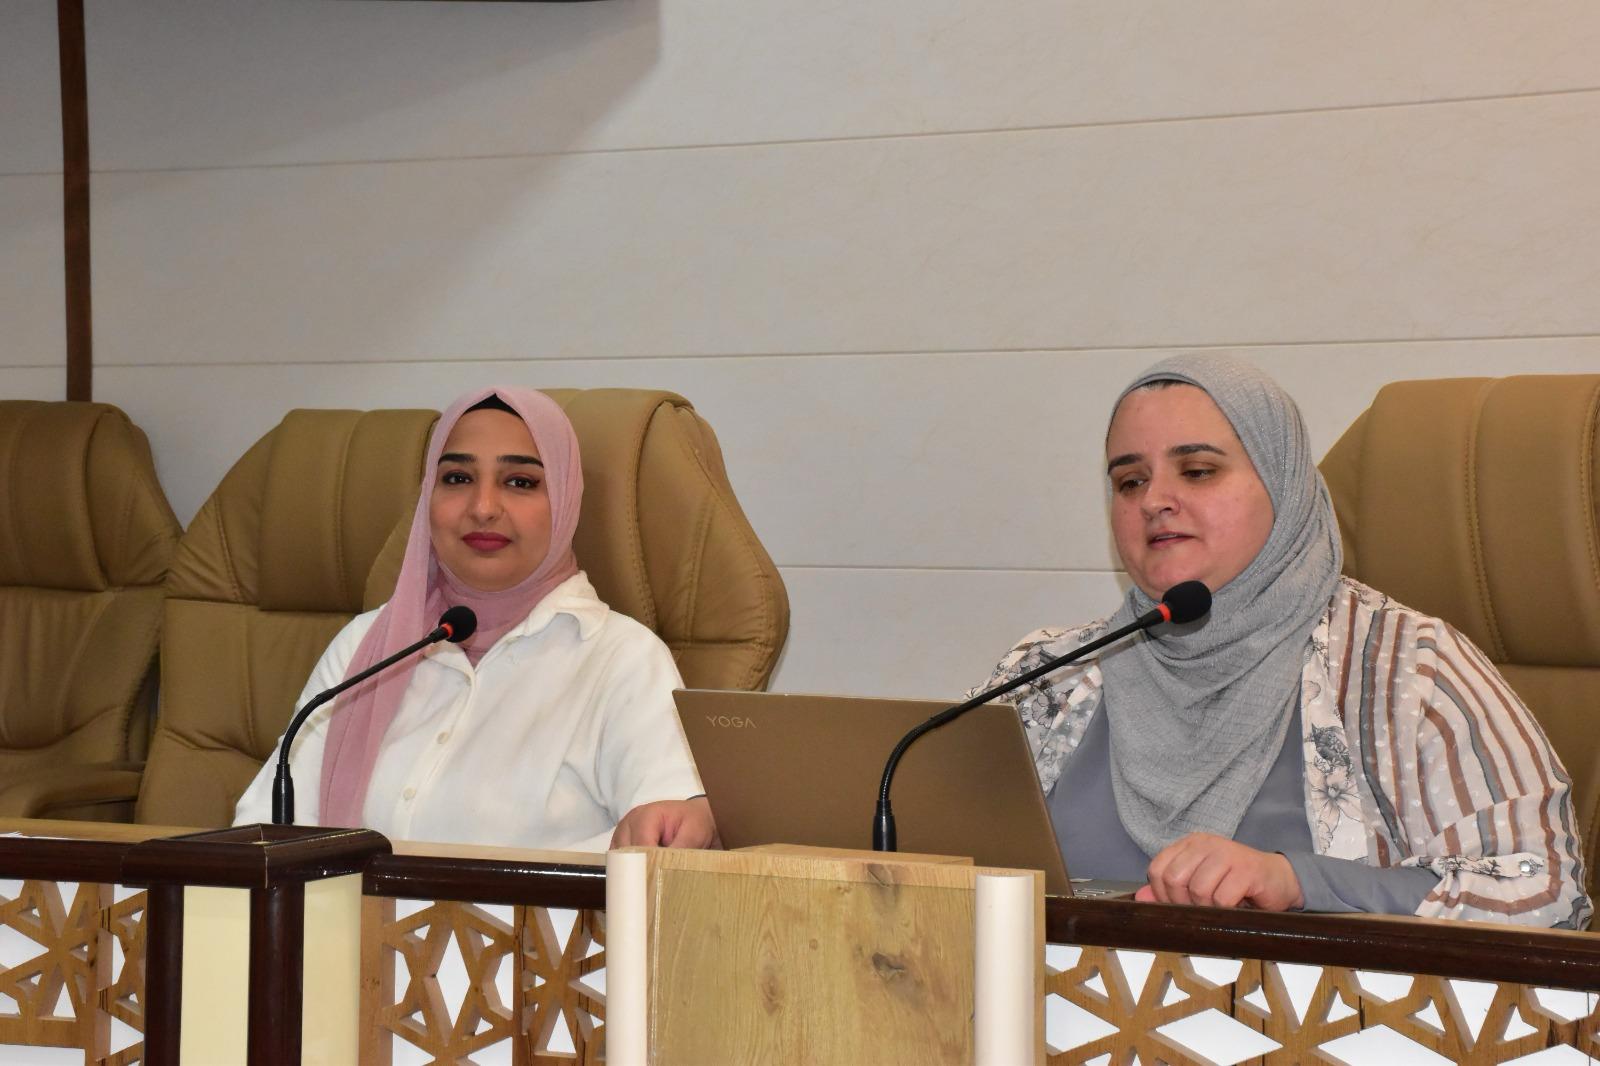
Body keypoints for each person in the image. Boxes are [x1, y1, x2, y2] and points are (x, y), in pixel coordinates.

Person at [974, 354, 1589, 926]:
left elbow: (1546, 894)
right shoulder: (1047, 675)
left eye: (1197, 471)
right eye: (1130, 481)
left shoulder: (1408, 667)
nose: (1155, 501)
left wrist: (1297, 882)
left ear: (1282, 481)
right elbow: (936, 859)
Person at [235, 386, 714, 851]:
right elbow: (264, 834)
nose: (483, 508)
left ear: (566, 500)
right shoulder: (367, 646)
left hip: (546, 912)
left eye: (520, 482)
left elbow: (664, 841)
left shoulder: (622, 659)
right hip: (346, 909)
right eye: (457, 479)